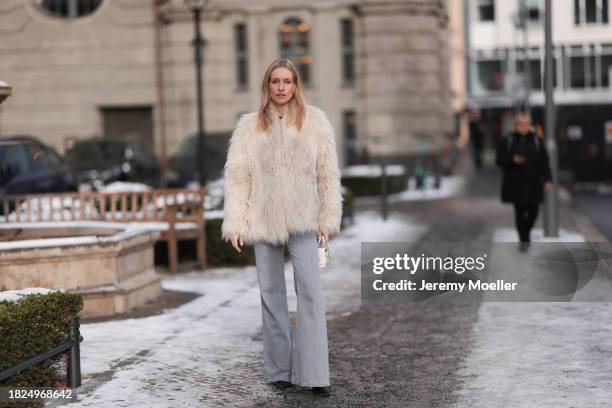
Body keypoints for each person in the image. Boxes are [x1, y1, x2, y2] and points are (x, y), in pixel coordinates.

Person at [221, 59, 342, 396]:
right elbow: (238, 178)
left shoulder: (315, 122)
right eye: (275, 81)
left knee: (311, 294)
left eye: (287, 81)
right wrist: (236, 222)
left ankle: (315, 374)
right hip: (263, 219)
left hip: (304, 219)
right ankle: (279, 370)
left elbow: (326, 174)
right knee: (271, 294)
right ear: (267, 85)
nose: (281, 87)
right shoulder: (249, 127)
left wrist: (327, 219)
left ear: (295, 85)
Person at [496, 113, 552, 250]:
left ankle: (526, 232)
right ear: (515, 125)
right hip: (515, 184)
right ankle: (524, 240)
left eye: (526, 123)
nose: (523, 127)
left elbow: (544, 161)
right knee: (520, 212)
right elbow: (499, 160)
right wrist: (512, 160)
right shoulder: (507, 140)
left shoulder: (536, 140)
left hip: (533, 183)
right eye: (520, 124)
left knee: (534, 211)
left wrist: (548, 179)